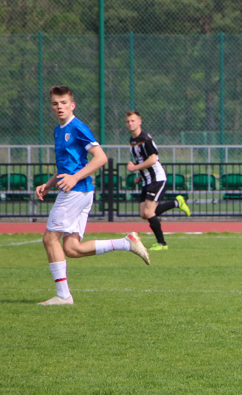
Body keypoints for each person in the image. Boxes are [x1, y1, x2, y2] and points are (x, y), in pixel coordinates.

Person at [34, 86, 151, 306]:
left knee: (50, 238)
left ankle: (63, 296)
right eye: (55, 103)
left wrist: (74, 178)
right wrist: (49, 184)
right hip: (80, 191)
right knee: (72, 249)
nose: (59, 107)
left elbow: (100, 158)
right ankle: (127, 243)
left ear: (72, 105)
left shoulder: (78, 127)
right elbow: (66, 165)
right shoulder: (59, 130)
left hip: (76, 191)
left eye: (63, 103)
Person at [126, 110, 191, 251]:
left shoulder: (145, 139)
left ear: (139, 122)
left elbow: (153, 159)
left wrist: (135, 168)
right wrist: (140, 175)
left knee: (149, 212)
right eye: (128, 121)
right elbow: (142, 160)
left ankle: (162, 243)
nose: (131, 124)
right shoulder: (133, 140)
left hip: (157, 179)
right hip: (146, 180)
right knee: (144, 213)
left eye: (133, 120)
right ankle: (176, 202)